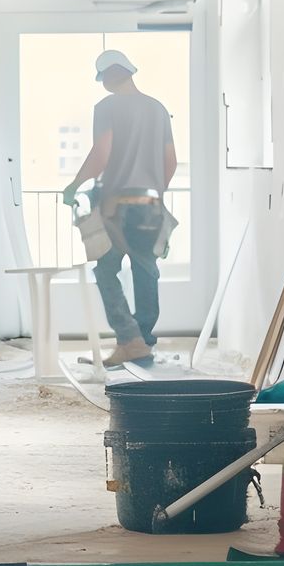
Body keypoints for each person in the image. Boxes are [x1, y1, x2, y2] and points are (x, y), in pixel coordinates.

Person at [63, 49, 177, 368]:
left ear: (110, 77)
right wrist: (154, 192)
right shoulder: (157, 109)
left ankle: (129, 339)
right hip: (150, 203)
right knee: (145, 270)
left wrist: (74, 184)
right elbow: (171, 161)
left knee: (105, 269)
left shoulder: (107, 107)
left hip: (116, 203)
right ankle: (142, 341)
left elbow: (102, 153)